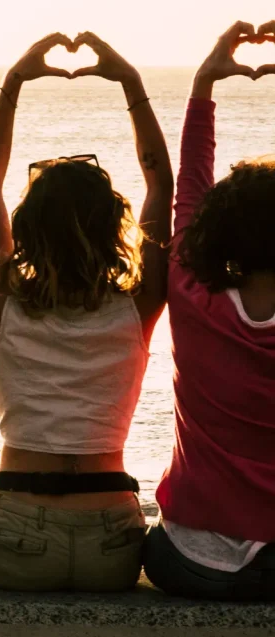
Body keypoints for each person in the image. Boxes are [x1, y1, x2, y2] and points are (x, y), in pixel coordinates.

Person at [0, 33, 174, 591]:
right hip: (112, 538)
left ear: (27, 228)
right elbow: (161, 182)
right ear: (113, 225)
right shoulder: (139, 305)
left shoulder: (2, 299)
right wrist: (129, 81)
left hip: (18, 534)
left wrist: (14, 83)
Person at [143, 20, 275, 601]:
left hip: (196, 564)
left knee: (149, 545)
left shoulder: (193, 298)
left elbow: (189, 193)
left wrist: (204, 85)